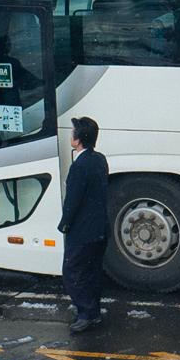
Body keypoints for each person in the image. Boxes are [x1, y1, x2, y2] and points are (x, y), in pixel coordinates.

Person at [55, 116, 109, 334]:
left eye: (72, 133)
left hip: (82, 229)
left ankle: (85, 313)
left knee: (72, 271)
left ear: (78, 140)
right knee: (93, 270)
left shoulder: (79, 166)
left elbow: (73, 200)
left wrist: (64, 224)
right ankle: (93, 310)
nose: (70, 136)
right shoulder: (100, 159)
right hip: (100, 227)